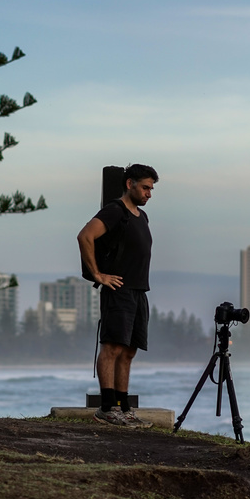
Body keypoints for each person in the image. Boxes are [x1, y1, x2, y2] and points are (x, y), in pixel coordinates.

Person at [76, 164, 158, 426]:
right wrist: (98, 274)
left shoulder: (141, 216)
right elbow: (85, 236)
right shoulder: (115, 211)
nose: (149, 193)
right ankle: (106, 408)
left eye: (151, 189)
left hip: (138, 291)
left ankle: (123, 408)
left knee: (129, 351)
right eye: (145, 187)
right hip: (118, 290)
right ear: (129, 184)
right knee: (112, 347)